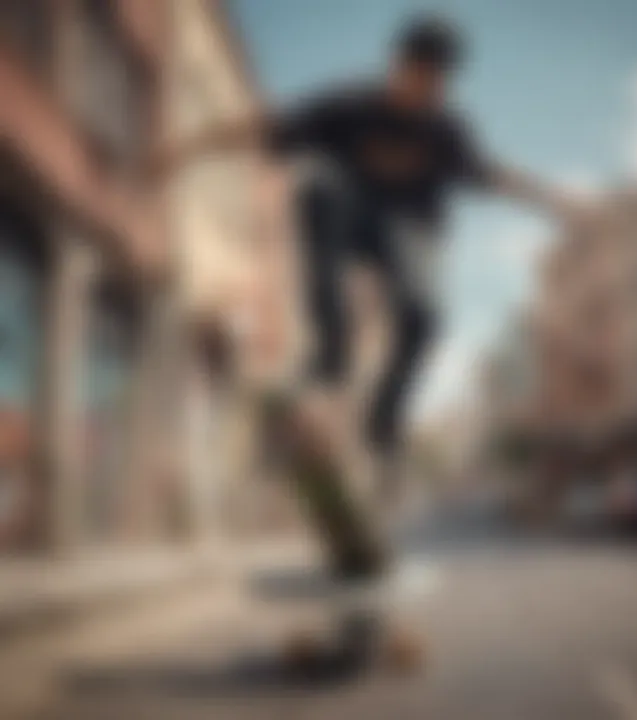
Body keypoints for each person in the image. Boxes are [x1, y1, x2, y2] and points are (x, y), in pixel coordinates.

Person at [156, 16, 591, 511]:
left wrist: (554, 199)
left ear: (445, 82)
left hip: (411, 232)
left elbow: (495, 175)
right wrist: (189, 149)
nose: (424, 90)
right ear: (397, 66)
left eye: (435, 82)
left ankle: (382, 426)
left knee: (423, 315)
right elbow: (261, 127)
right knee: (317, 187)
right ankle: (329, 360)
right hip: (352, 220)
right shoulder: (350, 107)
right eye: (417, 76)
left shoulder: (446, 131)